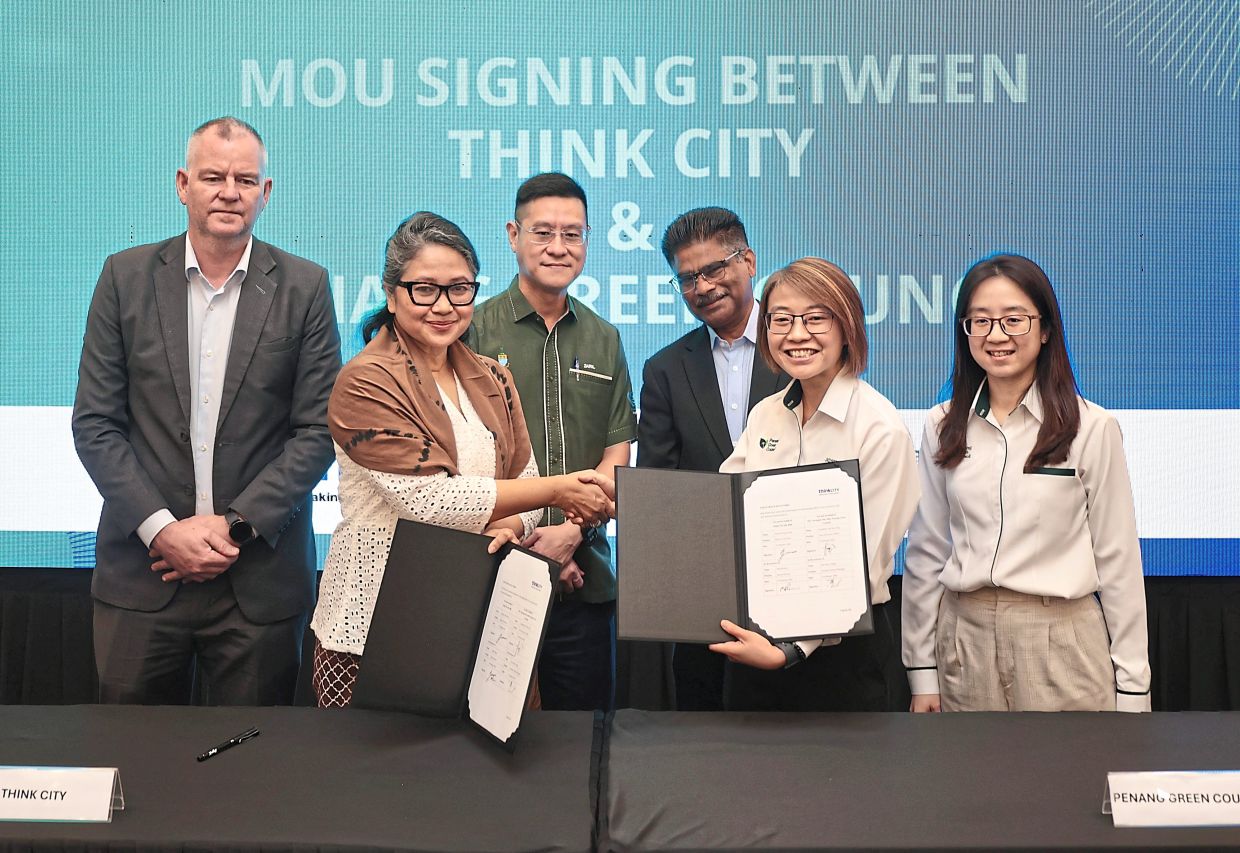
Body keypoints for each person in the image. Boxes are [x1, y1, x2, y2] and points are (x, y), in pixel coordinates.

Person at [72, 117, 342, 705]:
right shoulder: (124, 278)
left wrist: (233, 527)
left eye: (246, 179)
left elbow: (317, 430)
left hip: (258, 583)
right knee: (135, 769)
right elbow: (96, 423)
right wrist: (162, 530)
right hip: (143, 576)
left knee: (249, 780)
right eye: (213, 176)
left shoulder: (305, 286)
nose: (229, 191)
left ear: (265, 193)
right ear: (182, 184)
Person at [310, 212, 614, 707]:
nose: (444, 306)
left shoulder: (493, 377)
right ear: (392, 294)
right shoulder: (365, 380)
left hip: (484, 619)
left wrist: (514, 526)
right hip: (378, 627)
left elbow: (525, 479)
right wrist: (558, 491)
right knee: (379, 783)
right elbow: (430, 501)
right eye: (424, 289)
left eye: (459, 289)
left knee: (487, 782)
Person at [902, 254, 1151, 712]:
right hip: (965, 640)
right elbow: (927, 550)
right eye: (980, 321)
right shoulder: (942, 424)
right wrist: (921, 670)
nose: (997, 336)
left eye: (1014, 319)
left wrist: (1134, 687)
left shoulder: (1091, 428)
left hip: (1062, 640)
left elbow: (1118, 560)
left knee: (1067, 782)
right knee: (971, 782)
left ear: (1045, 328)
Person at [710, 257, 919, 711]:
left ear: (847, 326)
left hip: (841, 657)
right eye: (780, 320)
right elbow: (722, 517)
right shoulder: (766, 414)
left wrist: (790, 650)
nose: (796, 334)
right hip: (755, 641)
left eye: (815, 318)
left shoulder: (879, 428)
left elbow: (866, 564)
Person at [467, 173, 637, 711]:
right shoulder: (470, 330)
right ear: (513, 235)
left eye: (573, 234)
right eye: (543, 233)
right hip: (489, 572)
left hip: (584, 579)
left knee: (583, 745)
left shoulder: (604, 337)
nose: (558, 248)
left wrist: (569, 533)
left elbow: (616, 455)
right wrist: (531, 533)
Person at [637, 207, 787, 710]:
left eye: (713, 269)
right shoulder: (664, 369)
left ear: (748, 261)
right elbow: (658, 486)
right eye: (686, 278)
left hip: (796, 583)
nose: (701, 287)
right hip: (704, 598)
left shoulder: (803, 344)